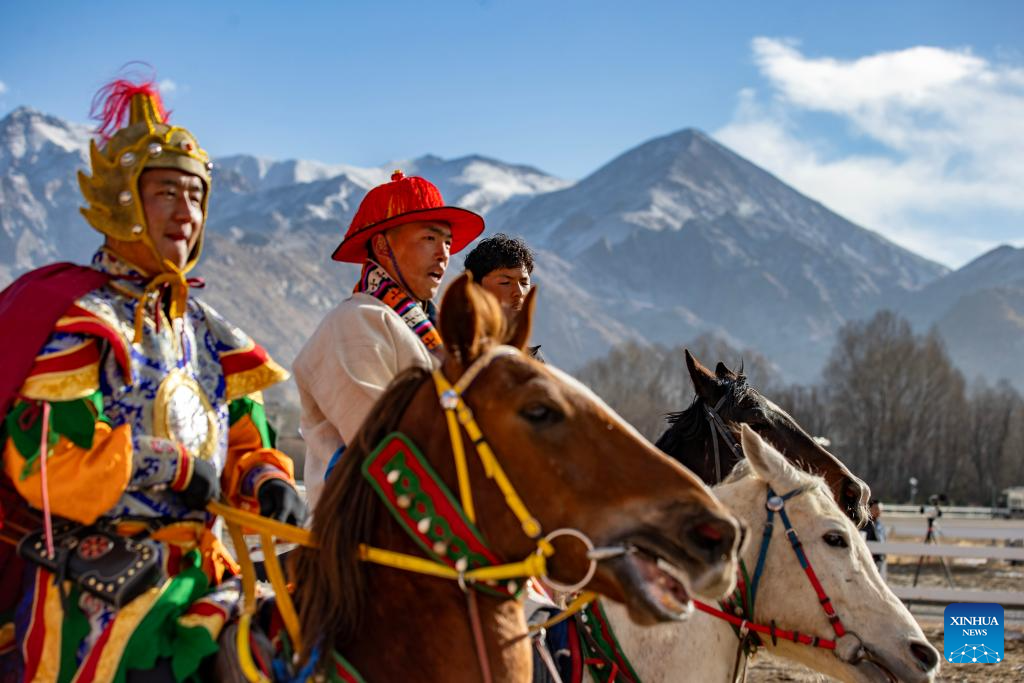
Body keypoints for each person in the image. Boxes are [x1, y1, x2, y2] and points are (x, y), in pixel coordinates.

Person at [0, 77, 304, 681]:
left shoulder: (210, 334)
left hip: (204, 572)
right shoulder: (80, 323)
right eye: (168, 193)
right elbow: (49, 463)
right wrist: (173, 466)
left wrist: (266, 478)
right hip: (98, 584)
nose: (188, 214)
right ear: (122, 201)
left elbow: (241, 440)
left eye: (197, 196)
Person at [293, 171, 484, 510]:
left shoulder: (436, 331)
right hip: (364, 529)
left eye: (448, 243)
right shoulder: (354, 323)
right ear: (382, 246)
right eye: (429, 238)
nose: (444, 254)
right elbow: (384, 446)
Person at [462, 233, 543, 360]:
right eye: (505, 282)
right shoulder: (457, 352)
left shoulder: (533, 358)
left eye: (524, 283)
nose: (519, 292)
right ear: (476, 290)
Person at [863, 498, 887, 579]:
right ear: (869, 509)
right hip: (868, 559)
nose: (878, 511)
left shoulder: (881, 525)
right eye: (876, 509)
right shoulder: (864, 525)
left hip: (879, 559)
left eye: (880, 509)